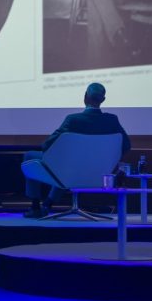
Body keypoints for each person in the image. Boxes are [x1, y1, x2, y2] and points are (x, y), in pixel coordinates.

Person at [22, 82, 130, 218]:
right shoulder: (112, 120)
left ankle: (35, 207)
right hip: (99, 172)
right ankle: (47, 204)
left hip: (69, 168)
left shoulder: (73, 120)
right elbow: (126, 145)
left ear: (85, 97)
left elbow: (48, 145)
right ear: (103, 100)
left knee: (31, 156)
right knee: (64, 164)